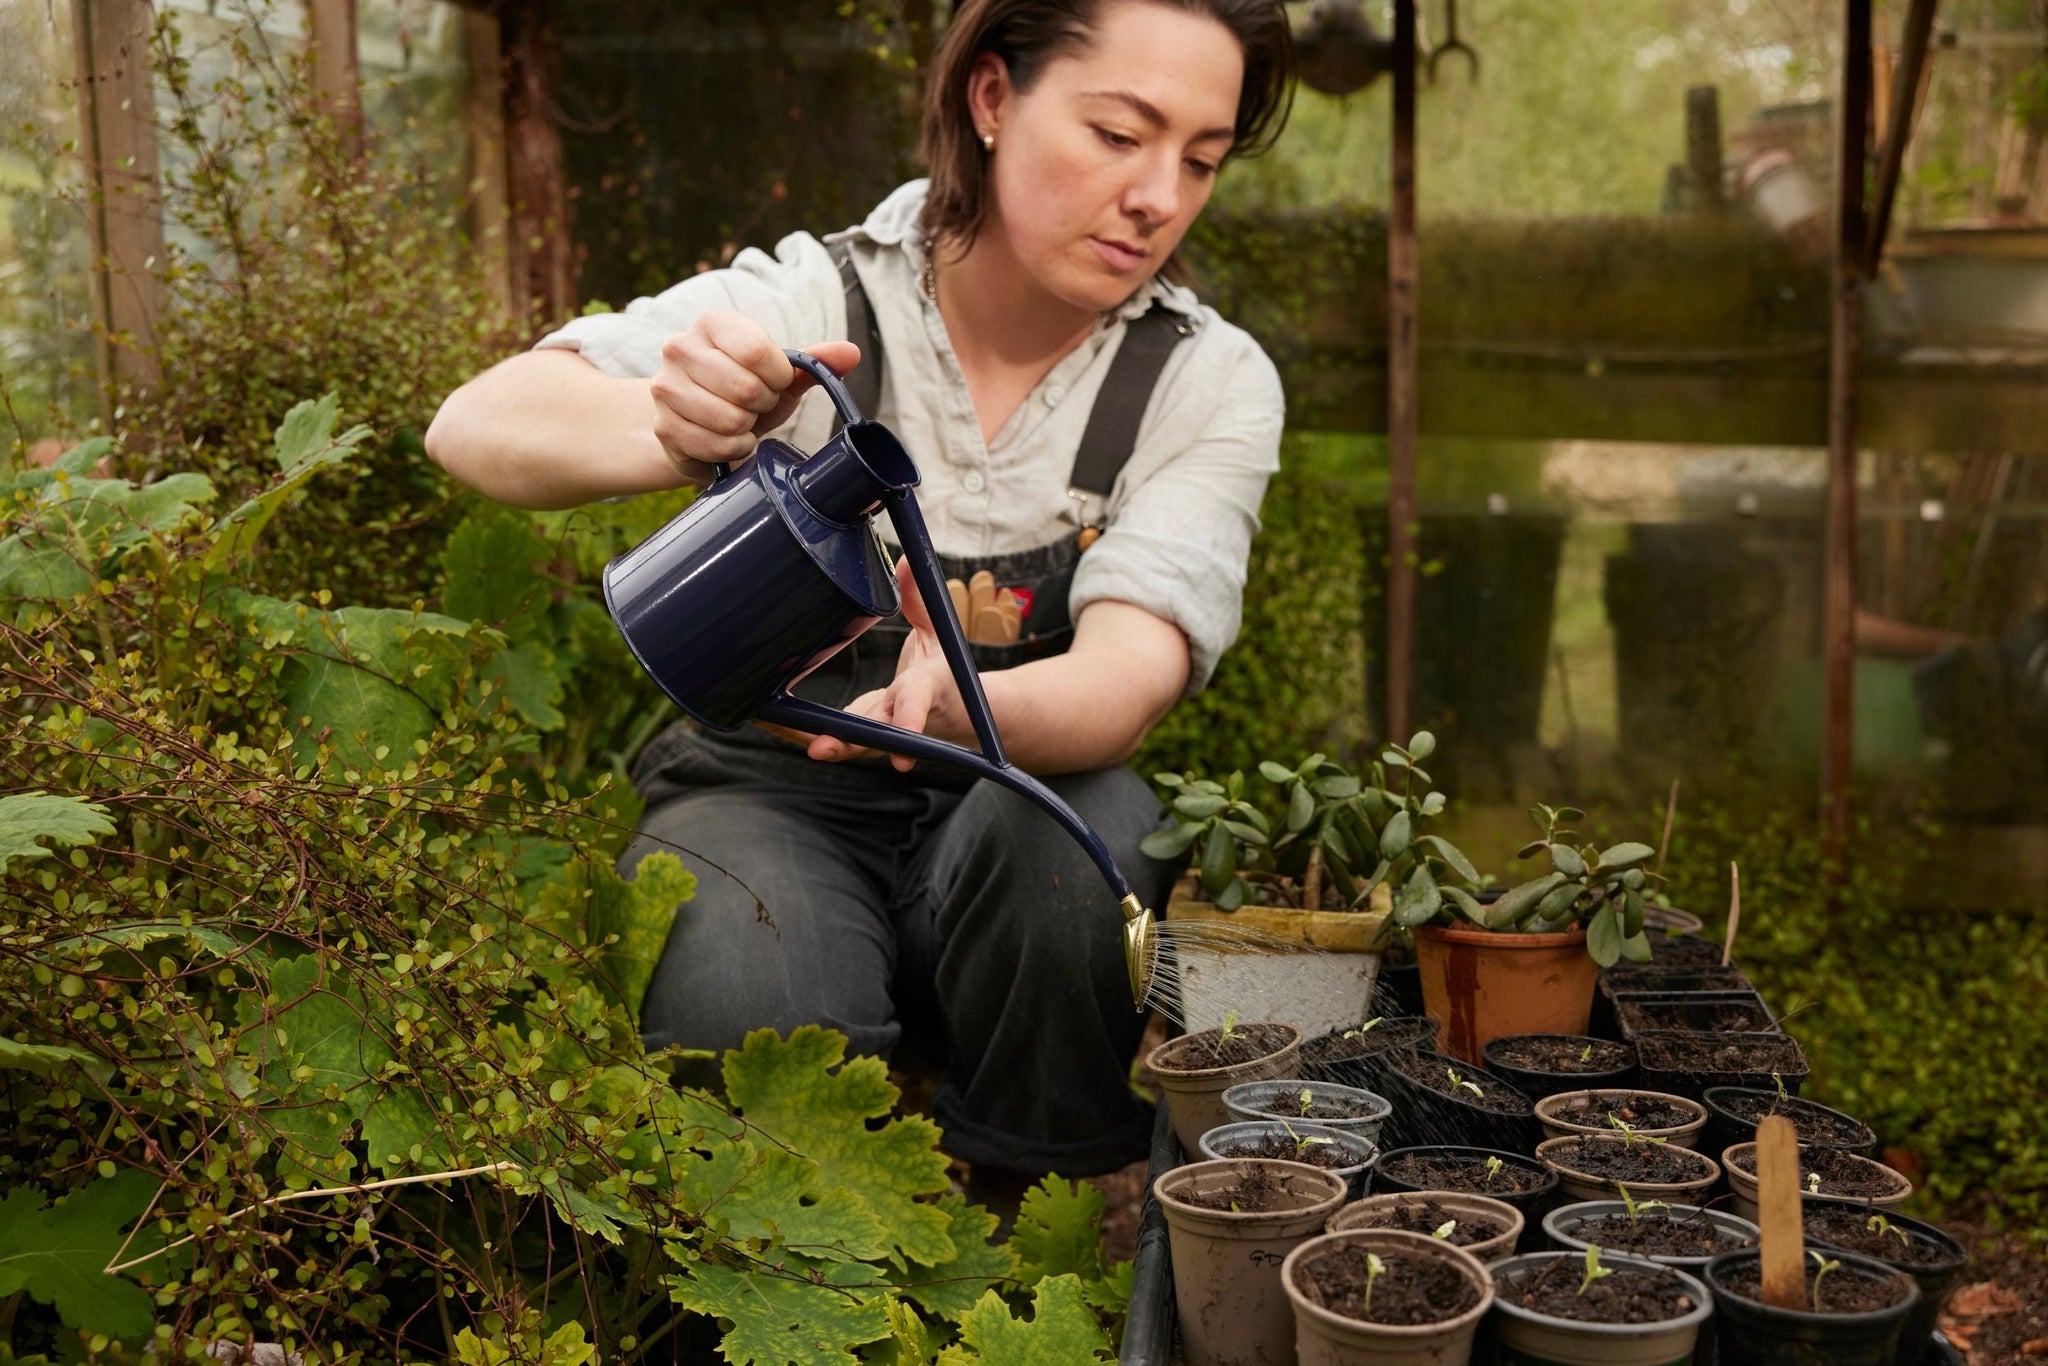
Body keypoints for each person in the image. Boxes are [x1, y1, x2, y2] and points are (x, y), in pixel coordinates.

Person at [426, 0, 1295, 1186]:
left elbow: (1127, 675)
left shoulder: (1201, 380)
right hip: (763, 787)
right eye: (1116, 134)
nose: (1158, 197)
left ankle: (1029, 1230)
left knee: (1080, 851)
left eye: (1199, 160)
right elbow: (476, 424)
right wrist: (670, 427)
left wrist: (957, 712)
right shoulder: (820, 305)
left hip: (1008, 789)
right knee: (748, 989)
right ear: (990, 98)